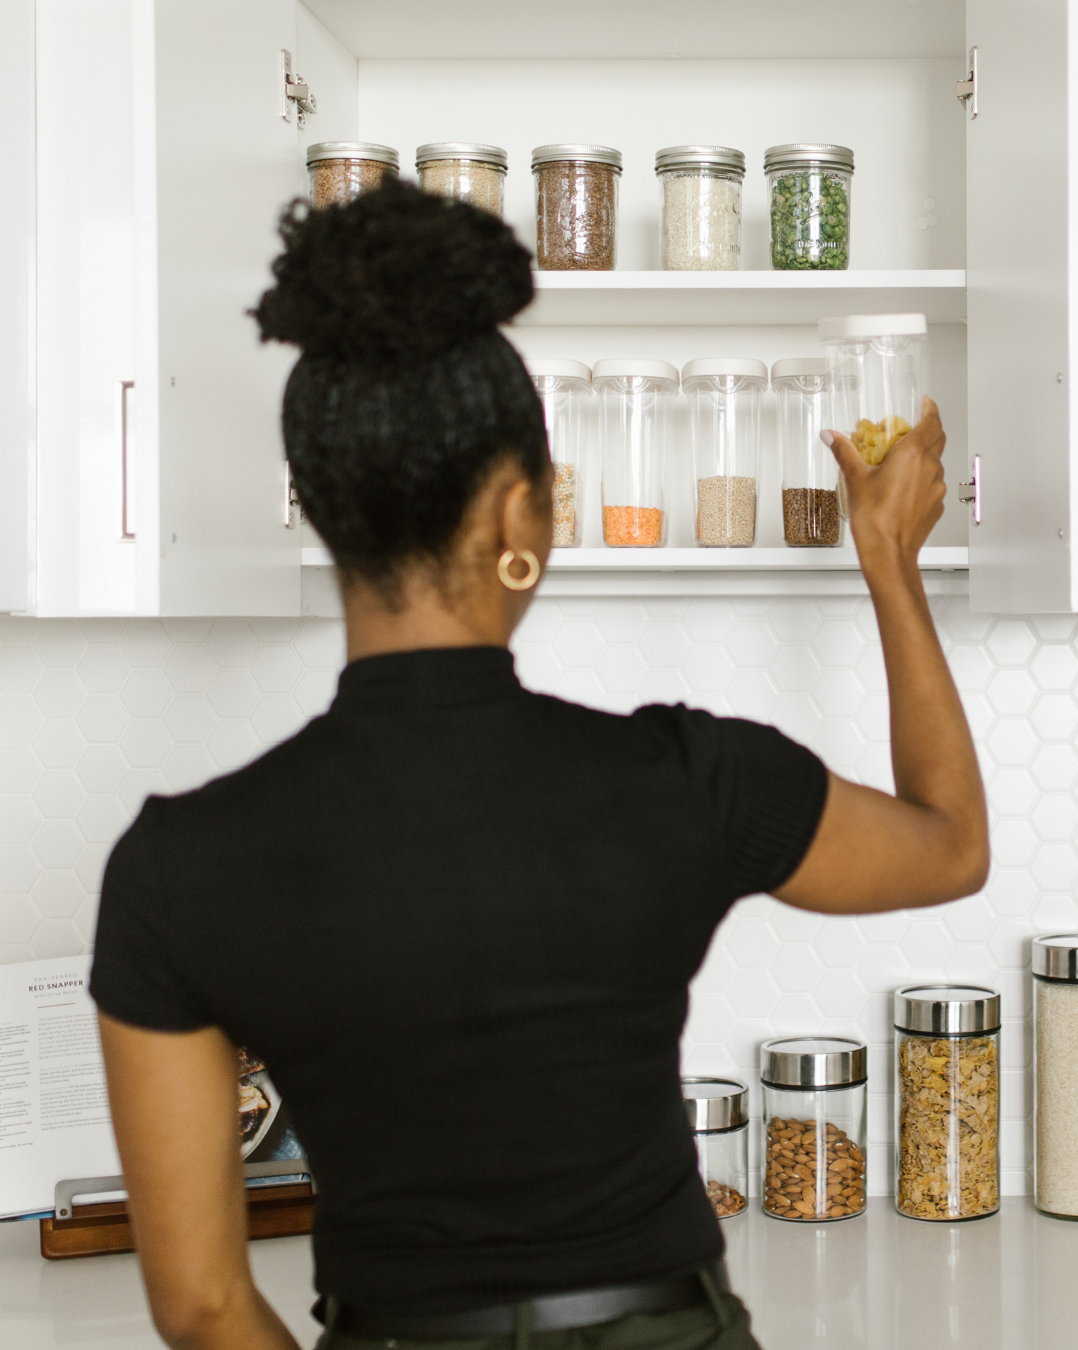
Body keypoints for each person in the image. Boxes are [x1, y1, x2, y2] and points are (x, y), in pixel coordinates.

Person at [90, 181, 988, 1350]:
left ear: (317, 510)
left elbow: (202, 1305)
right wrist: (889, 561)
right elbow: (950, 842)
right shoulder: (685, 777)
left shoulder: (177, 867)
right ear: (524, 519)